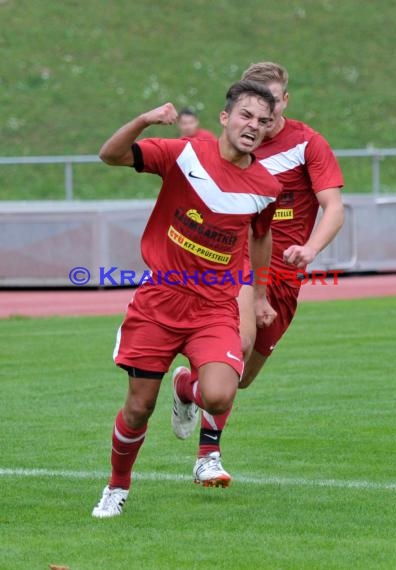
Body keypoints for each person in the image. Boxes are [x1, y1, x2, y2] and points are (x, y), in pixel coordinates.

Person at [92, 79, 283, 517]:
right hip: (160, 299)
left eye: (263, 121)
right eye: (246, 116)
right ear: (225, 117)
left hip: (214, 306)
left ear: (270, 129)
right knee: (138, 408)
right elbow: (110, 155)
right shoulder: (185, 154)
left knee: (218, 395)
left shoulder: (265, 187)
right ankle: (117, 486)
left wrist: (260, 292)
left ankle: (186, 386)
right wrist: (144, 120)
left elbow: (260, 235)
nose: (253, 126)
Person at [184, 61, 344, 487]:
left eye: (271, 101)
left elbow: (335, 207)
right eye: (255, 103)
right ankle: (208, 456)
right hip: (238, 266)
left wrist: (310, 248)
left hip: (285, 278)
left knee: (244, 378)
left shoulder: (308, 143)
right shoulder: (235, 144)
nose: (263, 112)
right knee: (240, 344)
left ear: (284, 100)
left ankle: (187, 388)